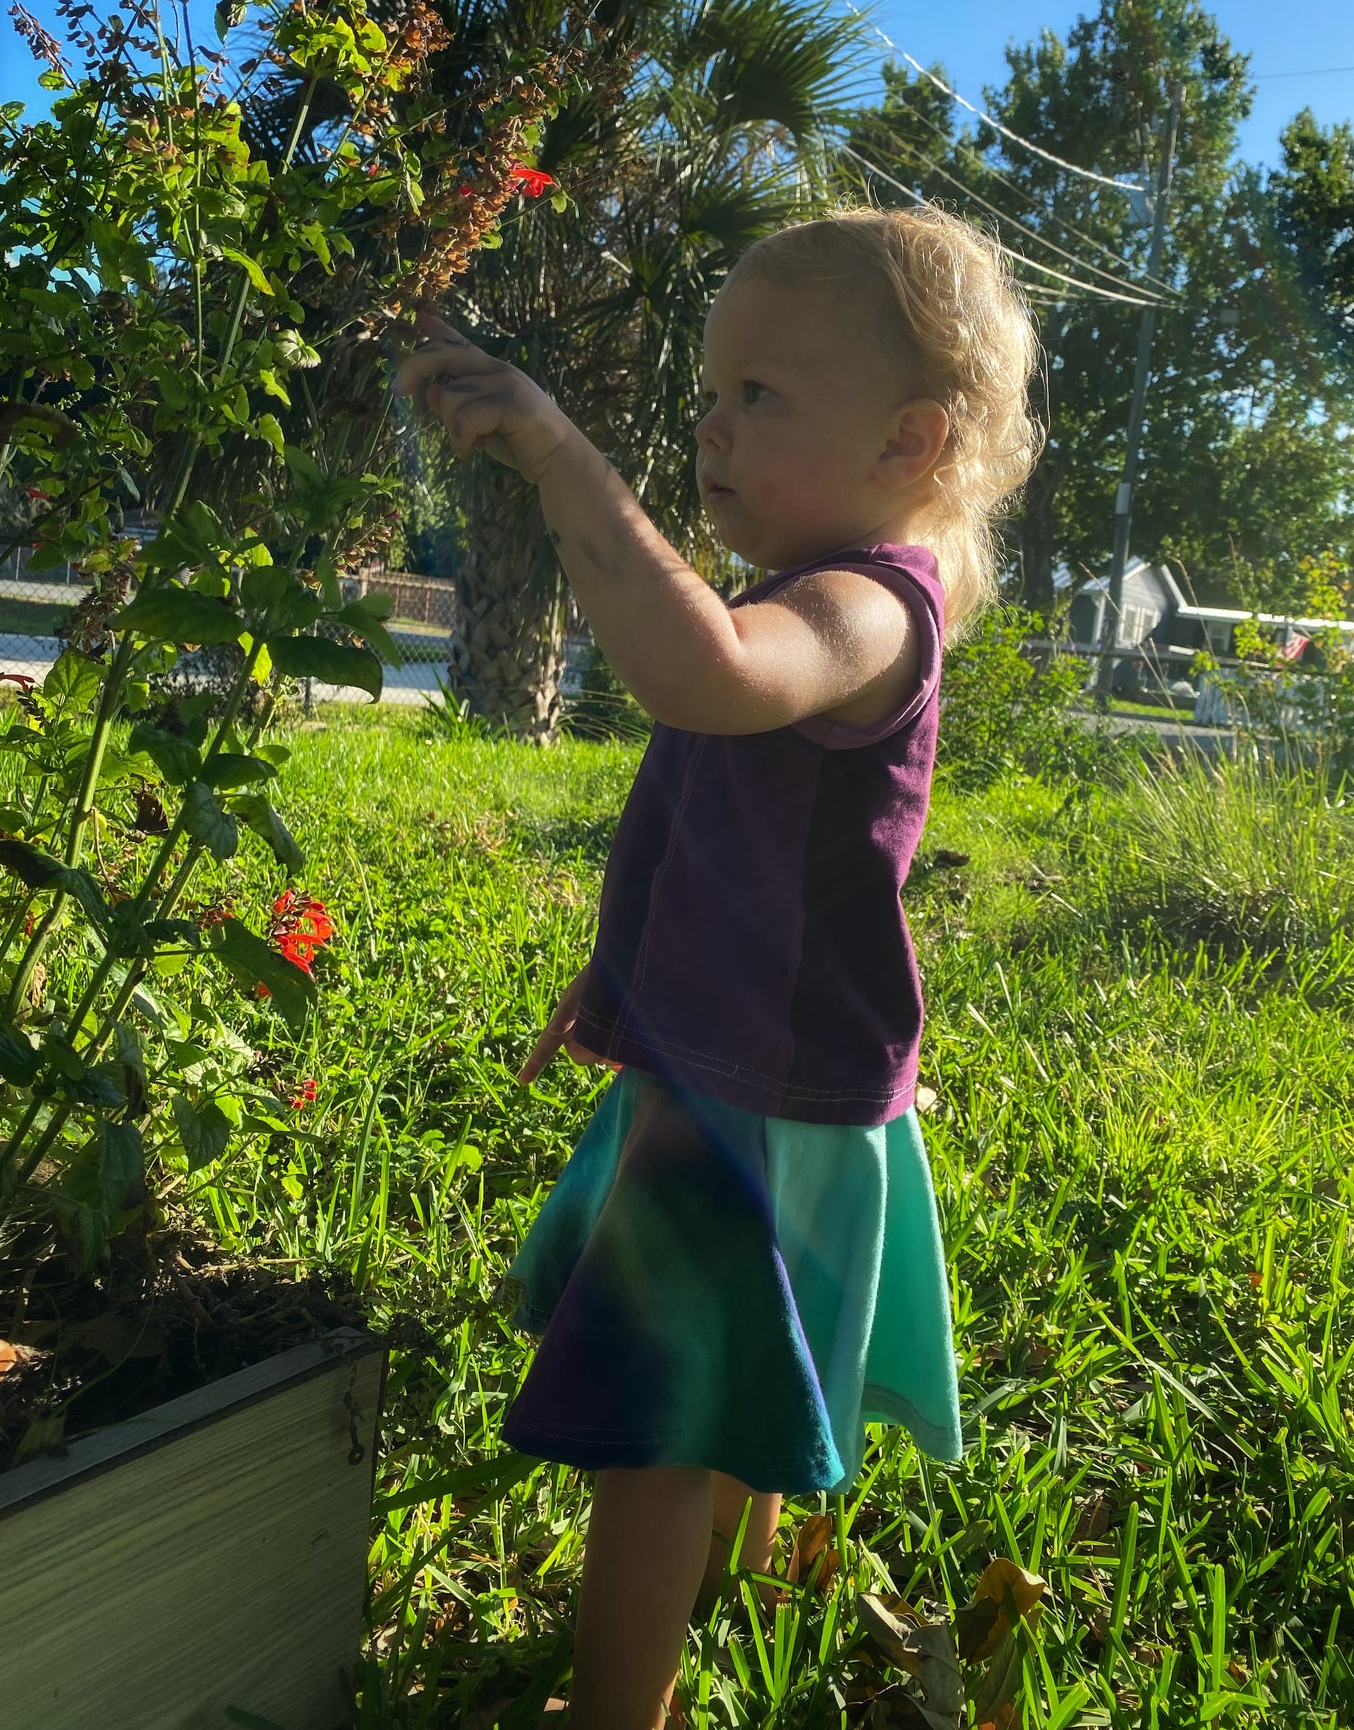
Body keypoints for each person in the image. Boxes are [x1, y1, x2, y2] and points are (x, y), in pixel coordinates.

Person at [395, 205, 1042, 1730]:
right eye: (708, 392)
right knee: (750, 1365)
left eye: (759, 393)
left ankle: (620, 1710)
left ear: (908, 438)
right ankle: (750, 1573)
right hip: (737, 1057)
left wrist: (564, 459)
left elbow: (701, 675)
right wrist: (614, 976)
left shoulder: (865, 607)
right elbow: (699, 836)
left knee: (653, 1435)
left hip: (750, 1092)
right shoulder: (819, 588)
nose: (710, 424)